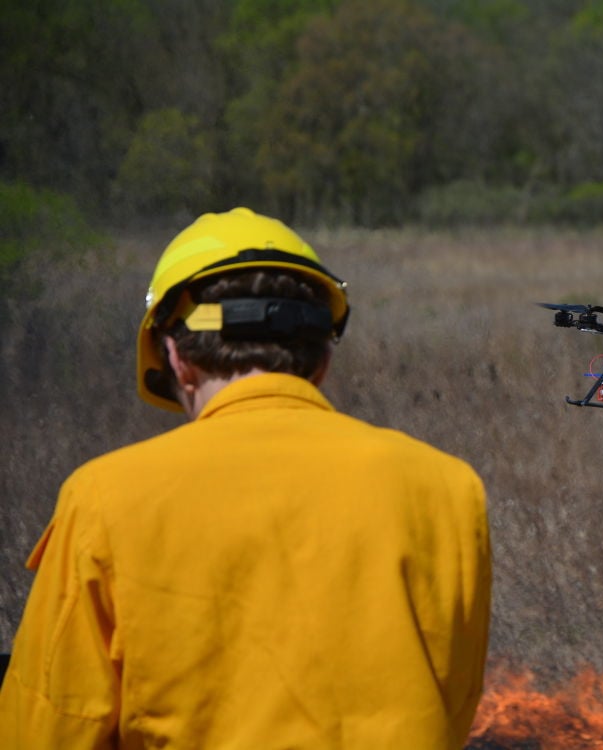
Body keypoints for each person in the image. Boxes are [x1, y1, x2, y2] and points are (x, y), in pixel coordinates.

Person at [0, 208, 491, 748]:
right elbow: (453, 706)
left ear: (176, 360)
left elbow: (48, 728)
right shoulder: (447, 490)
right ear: (321, 357)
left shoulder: (103, 500)